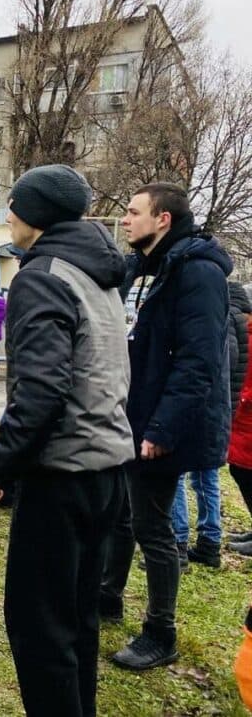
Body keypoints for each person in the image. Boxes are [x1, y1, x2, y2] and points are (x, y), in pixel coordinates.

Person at [0, 164, 131, 717]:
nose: (7, 213)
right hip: (107, 473)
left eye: (13, 203)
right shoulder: (97, 274)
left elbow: (41, 392)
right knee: (78, 621)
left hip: (61, 480)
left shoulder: (42, 276)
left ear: (36, 213)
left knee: (40, 630)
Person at [100, 182, 232, 671]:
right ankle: (106, 597)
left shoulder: (197, 274)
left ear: (163, 220)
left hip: (163, 426)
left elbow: (198, 362)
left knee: (153, 529)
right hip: (132, 417)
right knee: (121, 514)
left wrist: (161, 429)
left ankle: (161, 632)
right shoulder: (145, 268)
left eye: (134, 212)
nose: (126, 219)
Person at [172, 280, 251, 567]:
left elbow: (215, 368)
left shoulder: (223, 320)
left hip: (207, 410)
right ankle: (208, 539)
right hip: (219, 411)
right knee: (205, 476)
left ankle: (181, 541)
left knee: (182, 473)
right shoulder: (236, 322)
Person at [226, 284, 252, 555]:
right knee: (238, 470)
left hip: (248, 416)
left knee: (245, 472)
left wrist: (243, 399)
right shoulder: (245, 333)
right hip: (242, 420)